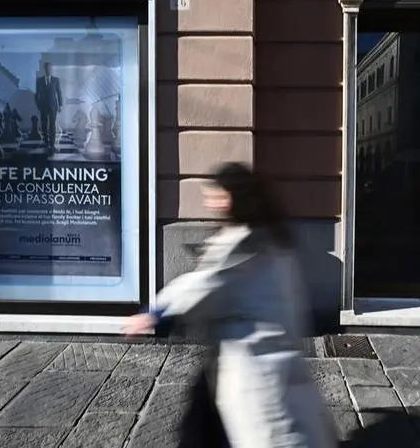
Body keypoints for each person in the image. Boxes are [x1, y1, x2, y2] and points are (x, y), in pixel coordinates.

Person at [124, 162, 337, 448]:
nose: (209, 202)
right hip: (267, 352)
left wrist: (157, 314)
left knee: (231, 427)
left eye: (215, 194)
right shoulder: (275, 236)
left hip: (250, 356)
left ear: (230, 197)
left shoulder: (243, 241)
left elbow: (205, 283)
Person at [34, 62, 63, 155]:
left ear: (51, 69)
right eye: (47, 68)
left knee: (52, 126)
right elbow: (36, 94)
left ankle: (52, 145)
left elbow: (59, 93)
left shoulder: (56, 80)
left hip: (53, 106)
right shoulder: (39, 80)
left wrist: (60, 105)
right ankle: (46, 144)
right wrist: (38, 105)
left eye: (50, 68)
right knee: (44, 126)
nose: (48, 70)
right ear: (45, 69)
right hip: (43, 106)